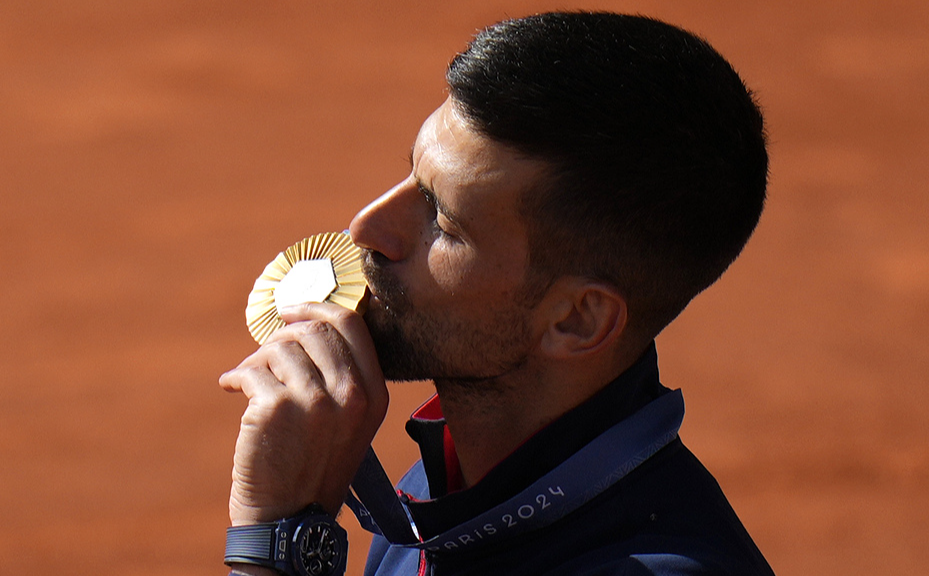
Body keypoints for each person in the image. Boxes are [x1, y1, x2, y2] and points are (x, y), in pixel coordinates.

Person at [220, 11, 773, 576]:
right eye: (412, 176)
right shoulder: (441, 496)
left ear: (577, 320)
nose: (366, 227)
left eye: (443, 219)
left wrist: (275, 547)